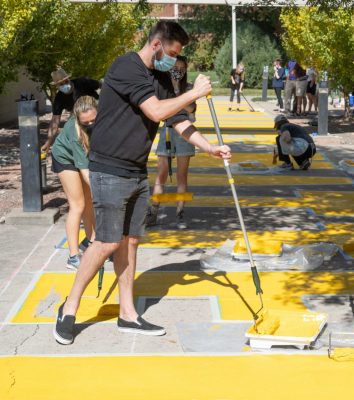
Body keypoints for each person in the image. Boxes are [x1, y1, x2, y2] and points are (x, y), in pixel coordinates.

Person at [54, 21, 231, 345]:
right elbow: (155, 111)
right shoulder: (126, 67)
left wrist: (209, 147)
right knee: (106, 242)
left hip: (135, 170)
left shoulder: (160, 78)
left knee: (130, 241)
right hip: (108, 168)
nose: (175, 63)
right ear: (157, 45)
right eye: (173, 54)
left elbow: (177, 120)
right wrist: (193, 92)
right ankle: (68, 308)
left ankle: (127, 314)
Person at [148, 56, 196, 228]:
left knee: (181, 175)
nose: (177, 72)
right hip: (167, 131)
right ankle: (153, 211)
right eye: (175, 69)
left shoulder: (188, 88)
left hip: (185, 132)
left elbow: (191, 108)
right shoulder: (163, 87)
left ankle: (180, 213)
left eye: (181, 69)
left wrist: (178, 93)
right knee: (161, 173)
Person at [51, 96, 98, 270]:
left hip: (82, 159)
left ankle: (91, 241)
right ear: (78, 119)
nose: (91, 124)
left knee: (89, 202)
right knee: (77, 205)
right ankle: (73, 257)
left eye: (94, 120)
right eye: (86, 122)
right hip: (65, 158)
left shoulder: (101, 118)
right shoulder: (75, 132)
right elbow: (85, 170)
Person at [41, 68, 102, 153]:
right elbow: (55, 121)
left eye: (65, 81)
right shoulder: (59, 99)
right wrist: (48, 142)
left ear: (68, 79)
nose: (64, 85)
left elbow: (101, 85)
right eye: (60, 84)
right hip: (81, 119)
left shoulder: (82, 82)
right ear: (57, 86)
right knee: (73, 130)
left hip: (97, 111)